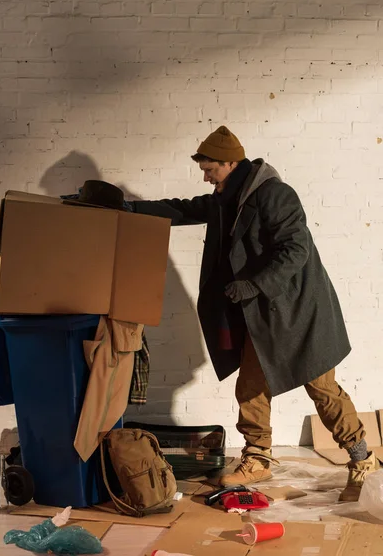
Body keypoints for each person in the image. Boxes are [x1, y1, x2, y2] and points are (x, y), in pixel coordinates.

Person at [131, 126, 379, 502]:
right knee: (250, 386)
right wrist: (128, 208)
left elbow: (295, 249)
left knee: (322, 389)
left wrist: (254, 284)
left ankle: (363, 459)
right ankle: (257, 456)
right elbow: (183, 208)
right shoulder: (225, 197)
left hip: (297, 312)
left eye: (210, 167)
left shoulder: (275, 194)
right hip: (261, 315)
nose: (205, 175)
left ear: (231, 162)